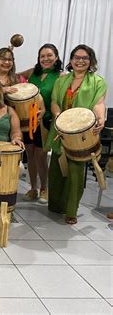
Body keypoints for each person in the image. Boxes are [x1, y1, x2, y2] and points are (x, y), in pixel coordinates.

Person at [45, 44, 106, 225]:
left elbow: (98, 103)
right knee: (56, 169)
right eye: (76, 57)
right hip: (61, 129)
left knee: (76, 171)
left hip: (81, 133)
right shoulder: (62, 81)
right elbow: (55, 101)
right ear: (71, 60)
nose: (80, 61)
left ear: (90, 61)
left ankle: (71, 210)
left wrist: (100, 118)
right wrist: (57, 116)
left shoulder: (97, 82)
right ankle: (55, 205)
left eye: (85, 58)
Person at [18, 44, 63, 204]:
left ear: (56, 57)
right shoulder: (32, 72)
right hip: (27, 120)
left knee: (41, 155)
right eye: (42, 56)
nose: (46, 59)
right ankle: (33, 188)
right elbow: (14, 76)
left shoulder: (61, 76)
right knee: (29, 154)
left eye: (49, 55)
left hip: (46, 120)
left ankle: (45, 188)